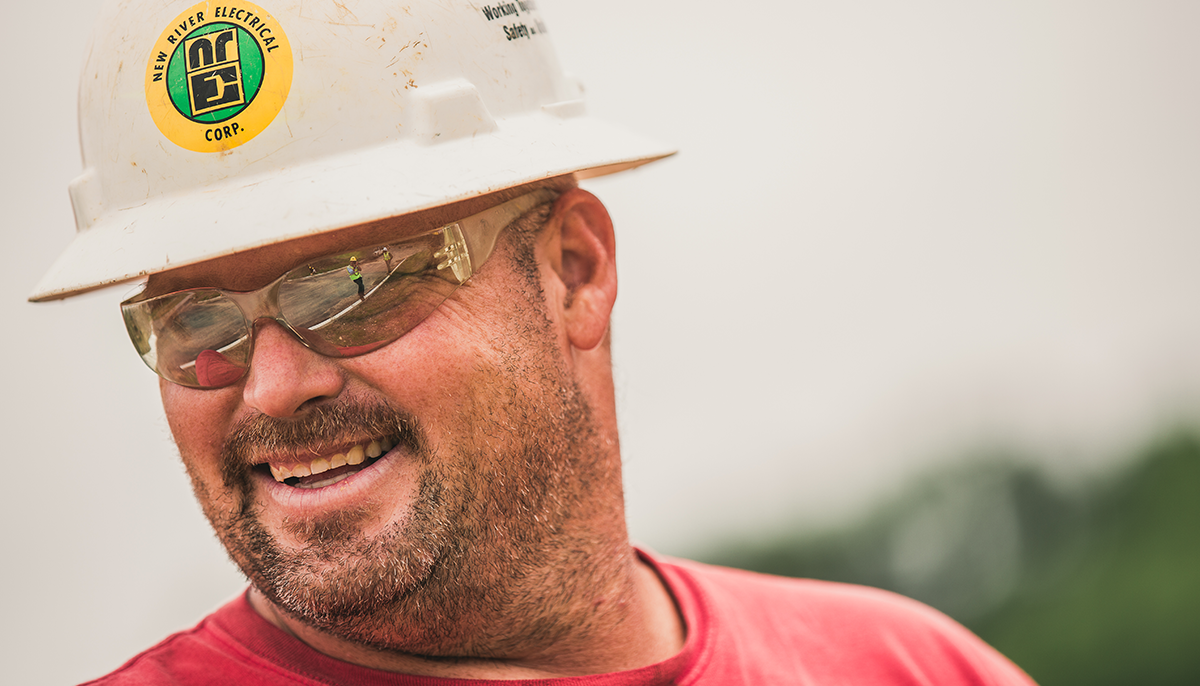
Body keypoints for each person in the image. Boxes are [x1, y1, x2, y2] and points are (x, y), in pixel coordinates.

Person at [32, 1, 1037, 684]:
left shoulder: (906, 665)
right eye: (196, 323)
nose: (275, 386)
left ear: (573, 270)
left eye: (359, 284)